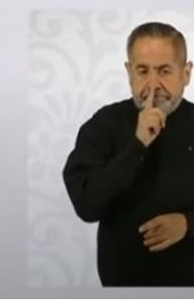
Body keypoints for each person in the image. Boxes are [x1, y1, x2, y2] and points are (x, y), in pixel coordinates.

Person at [62, 21, 194, 286]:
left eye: (164, 71)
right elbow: (86, 205)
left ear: (186, 73)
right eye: (143, 71)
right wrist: (138, 144)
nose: (153, 85)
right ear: (129, 72)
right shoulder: (103, 124)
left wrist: (188, 224)